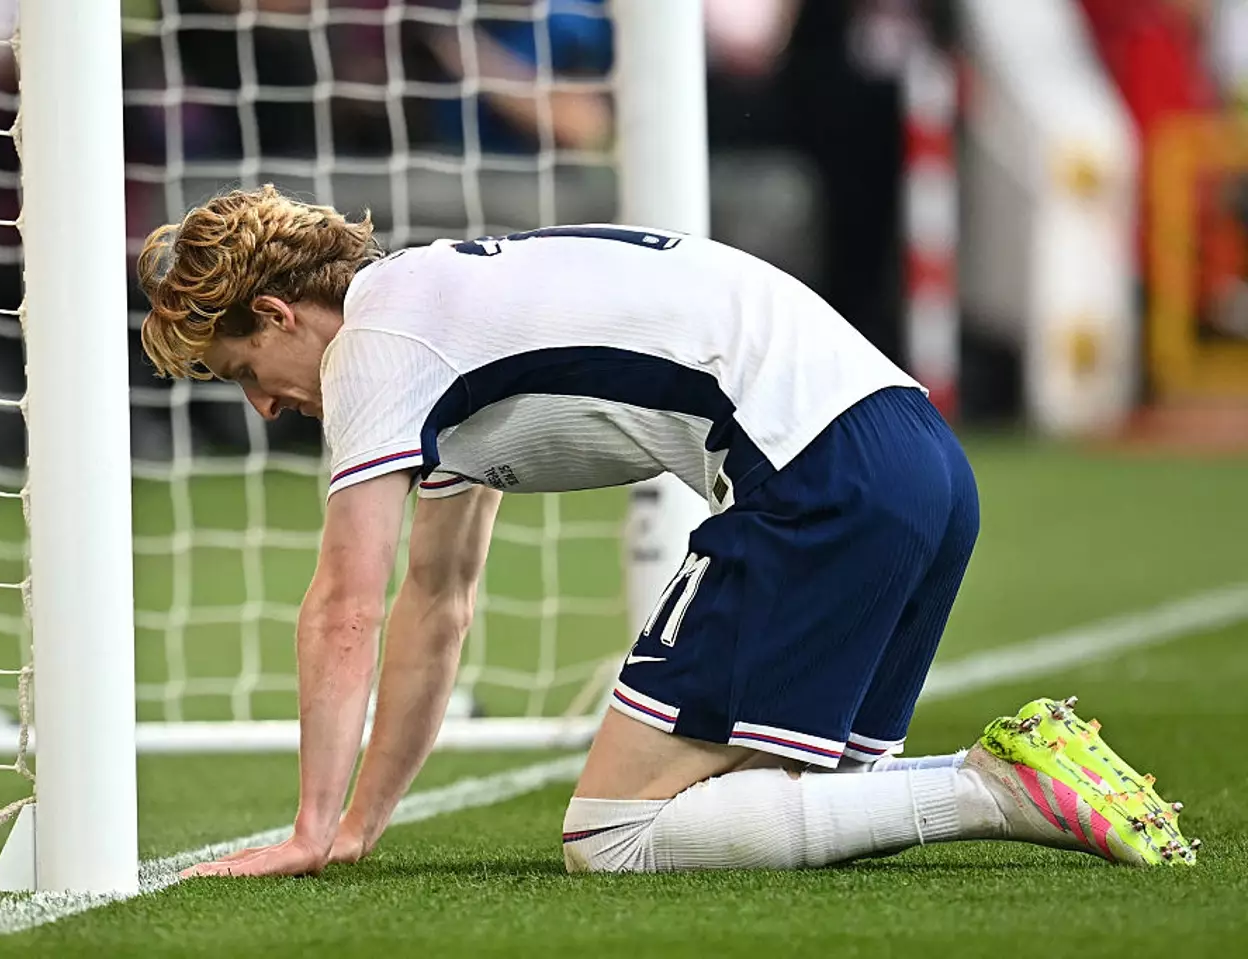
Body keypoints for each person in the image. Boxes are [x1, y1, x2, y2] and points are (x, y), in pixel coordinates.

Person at [138, 185, 1198, 877]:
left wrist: (307, 834)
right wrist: (359, 825)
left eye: (241, 374)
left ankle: (1000, 782)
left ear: (278, 315)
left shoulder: (376, 339)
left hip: (819, 477)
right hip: (914, 458)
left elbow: (343, 608)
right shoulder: (437, 314)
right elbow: (436, 601)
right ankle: (1011, 777)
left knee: (612, 834)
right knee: (805, 800)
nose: (264, 408)